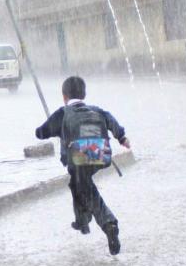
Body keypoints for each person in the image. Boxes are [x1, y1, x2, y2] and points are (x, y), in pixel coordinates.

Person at [35, 76, 129, 256]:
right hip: (99, 156)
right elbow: (112, 122)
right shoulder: (97, 111)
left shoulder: (62, 113)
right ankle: (82, 221)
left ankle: (107, 223)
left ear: (64, 96)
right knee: (79, 184)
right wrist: (122, 138)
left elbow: (41, 133)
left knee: (82, 185)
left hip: (78, 158)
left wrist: (48, 129)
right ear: (84, 94)